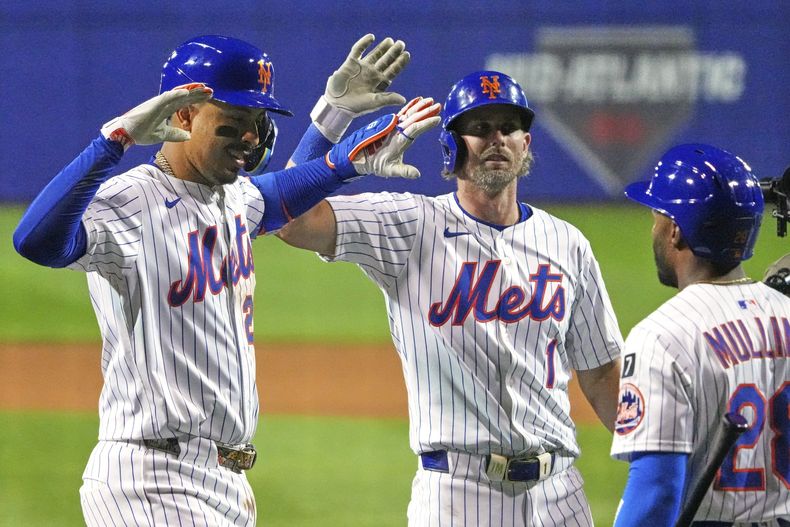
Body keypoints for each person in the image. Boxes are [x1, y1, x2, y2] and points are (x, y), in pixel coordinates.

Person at [12, 33, 438, 526]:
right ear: (185, 115)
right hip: (152, 478)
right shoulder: (131, 202)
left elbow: (291, 194)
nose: (252, 138)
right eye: (233, 123)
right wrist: (112, 143)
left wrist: (333, 117)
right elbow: (36, 242)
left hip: (223, 483)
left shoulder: (233, 198)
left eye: (256, 124)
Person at [279, 70, 624, 525]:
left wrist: (659, 460)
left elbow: (601, 372)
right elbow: (291, 218)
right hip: (458, 496)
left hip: (560, 495)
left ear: (527, 143)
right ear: (452, 145)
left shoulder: (568, 243)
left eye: (509, 127)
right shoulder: (409, 224)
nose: (496, 139)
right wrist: (332, 119)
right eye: (479, 128)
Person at [610, 144, 790, 526]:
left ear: (675, 230)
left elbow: (656, 491)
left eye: (657, 215)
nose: (653, 226)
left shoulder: (662, 337)